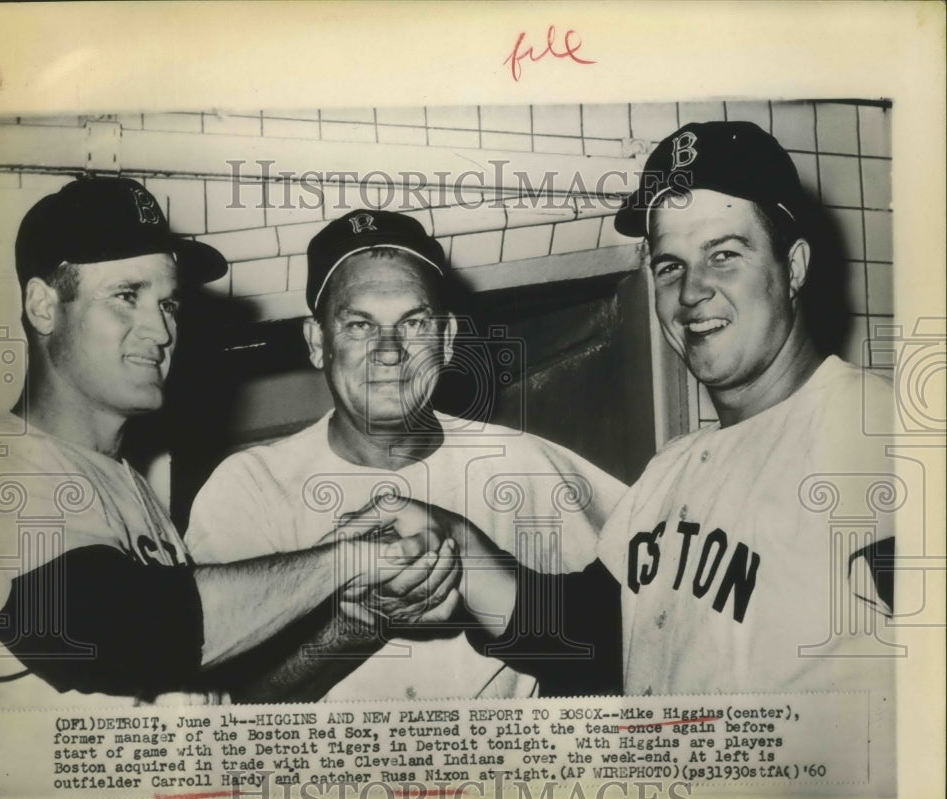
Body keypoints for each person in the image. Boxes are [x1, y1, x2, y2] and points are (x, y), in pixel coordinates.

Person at [381, 121, 896, 700]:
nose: (691, 291)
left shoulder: (877, 436)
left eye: (724, 255)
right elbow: (590, 636)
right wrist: (456, 543)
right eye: (669, 265)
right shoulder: (670, 469)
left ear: (794, 266)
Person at [0, 178, 456, 722]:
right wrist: (347, 558)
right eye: (127, 295)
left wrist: (356, 624)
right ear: (42, 305)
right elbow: (124, 635)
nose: (160, 329)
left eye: (168, 303)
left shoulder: (128, 485)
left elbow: (217, 704)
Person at [186, 209, 626, 702]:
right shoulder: (249, 488)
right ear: (317, 343)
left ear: (447, 340)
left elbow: (635, 625)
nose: (390, 351)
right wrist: (358, 624)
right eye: (359, 325)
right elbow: (221, 706)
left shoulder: (525, 464)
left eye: (414, 323)